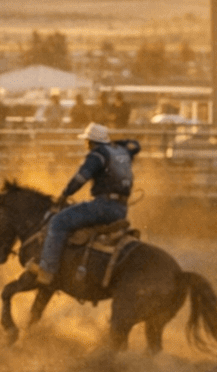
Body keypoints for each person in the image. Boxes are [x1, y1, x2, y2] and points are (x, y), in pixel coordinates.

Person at [30, 121, 140, 285]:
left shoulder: (98, 154)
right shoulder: (121, 153)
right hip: (121, 208)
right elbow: (135, 146)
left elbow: (82, 177)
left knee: (58, 222)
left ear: (91, 141)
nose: (86, 145)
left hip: (103, 206)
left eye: (87, 141)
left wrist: (65, 194)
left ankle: (47, 270)